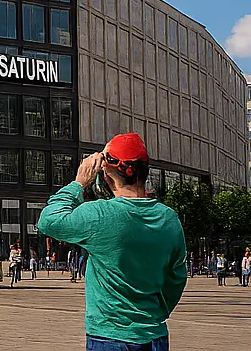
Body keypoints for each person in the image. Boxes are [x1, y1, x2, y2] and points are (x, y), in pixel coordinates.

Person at [37, 133, 187, 351]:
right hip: (155, 336)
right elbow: (176, 278)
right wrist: (156, 312)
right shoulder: (169, 219)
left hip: (110, 336)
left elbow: (48, 221)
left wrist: (79, 182)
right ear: (145, 172)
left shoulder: (100, 215)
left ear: (105, 174)